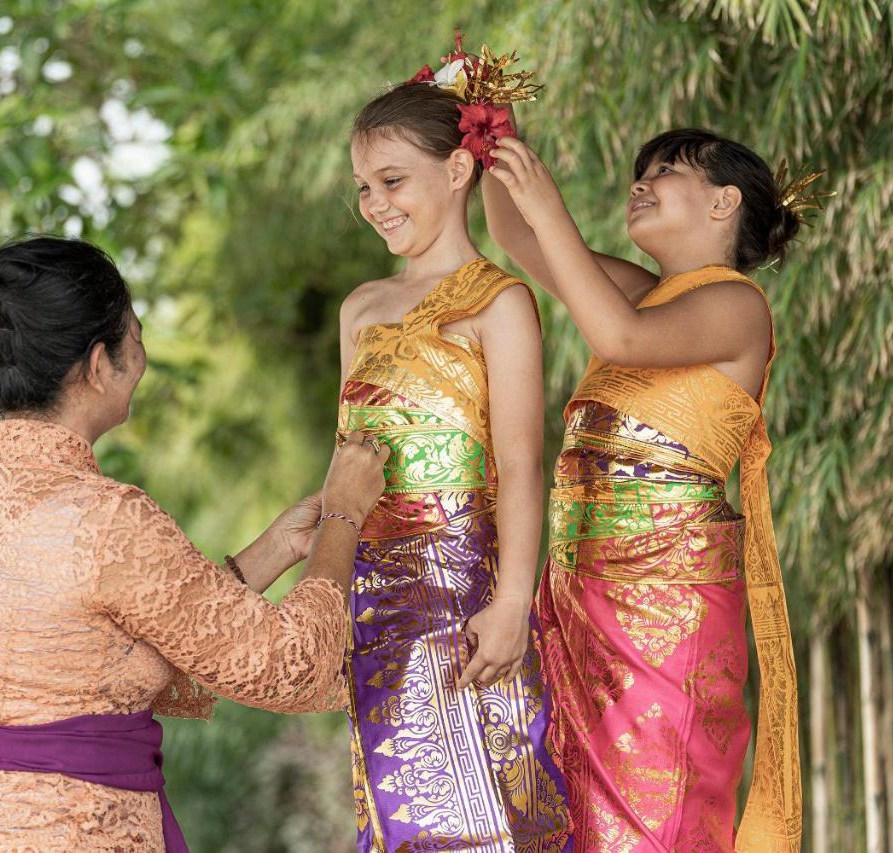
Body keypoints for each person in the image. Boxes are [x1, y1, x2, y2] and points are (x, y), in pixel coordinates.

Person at [0, 236, 389, 852]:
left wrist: (279, 549)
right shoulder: (106, 519)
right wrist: (345, 513)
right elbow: (288, 664)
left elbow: (113, 661)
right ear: (98, 363)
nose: (143, 349)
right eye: (134, 331)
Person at [485, 128, 814, 850]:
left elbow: (621, 338)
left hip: (666, 592)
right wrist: (489, 132)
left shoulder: (737, 304)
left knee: (656, 806)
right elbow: (512, 232)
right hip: (580, 589)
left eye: (666, 171)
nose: (642, 181)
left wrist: (551, 206)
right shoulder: (645, 292)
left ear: (725, 202)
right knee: (571, 808)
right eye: (641, 170)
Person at [337, 41, 570, 852]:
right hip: (374, 595)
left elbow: (522, 467)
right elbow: (347, 468)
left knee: (491, 814)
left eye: (393, 181)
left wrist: (511, 603)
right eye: (364, 187)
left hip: (470, 592)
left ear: (459, 172)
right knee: (398, 812)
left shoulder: (501, 302)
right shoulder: (360, 309)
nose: (376, 203)